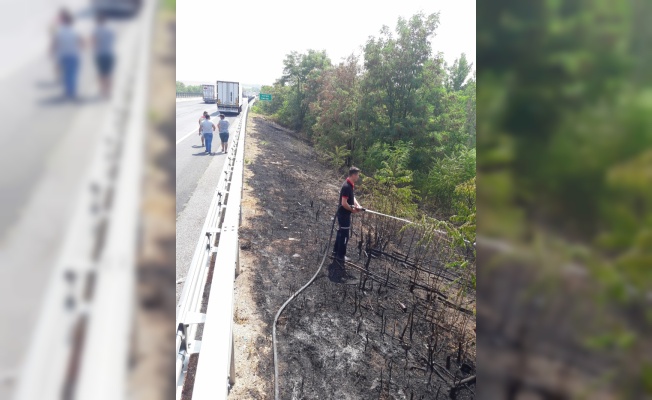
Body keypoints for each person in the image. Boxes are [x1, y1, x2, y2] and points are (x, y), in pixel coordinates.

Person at [333, 167, 364, 266]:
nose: (358, 177)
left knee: (340, 232)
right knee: (344, 235)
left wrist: (357, 205)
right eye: (357, 175)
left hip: (344, 214)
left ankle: (335, 252)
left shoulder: (350, 184)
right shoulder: (346, 186)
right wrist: (353, 210)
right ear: (353, 175)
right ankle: (340, 256)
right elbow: (344, 203)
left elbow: (352, 197)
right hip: (343, 214)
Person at [52, 9, 83, 99]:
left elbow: (55, 43)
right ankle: (72, 91)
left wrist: (52, 51)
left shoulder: (59, 31)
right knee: (73, 74)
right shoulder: (76, 31)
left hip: (63, 55)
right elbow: (81, 42)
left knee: (66, 74)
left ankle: (68, 91)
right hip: (74, 55)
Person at [92, 13, 115, 98]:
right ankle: (109, 92)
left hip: (100, 54)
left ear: (97, 21)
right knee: (109, 74)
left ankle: (103, 91)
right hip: (110, 53)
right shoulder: (110, 30)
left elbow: (94, 42)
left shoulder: (96, 30)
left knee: (101, 74)